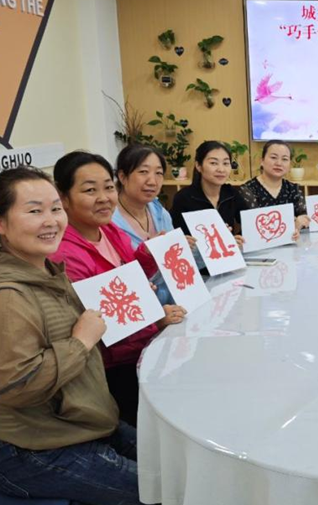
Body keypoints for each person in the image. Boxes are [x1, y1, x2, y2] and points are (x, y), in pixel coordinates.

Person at [0, 166, 177, 505]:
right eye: (34, 211)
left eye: (55, 209)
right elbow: (20, 386)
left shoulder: (47, 273)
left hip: (73, 424)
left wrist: (146, 312)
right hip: (27, 449)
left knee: (173, 460)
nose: (51, 221)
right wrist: (81, 340)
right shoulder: (7, 297)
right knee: (156, 487)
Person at [50, 151, 185, 426]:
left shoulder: (111, 231)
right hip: (112, 364)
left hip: (142, 344)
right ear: (63, 198)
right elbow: (100, 319)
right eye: (90, 190)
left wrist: (147, 255)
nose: (104, 198)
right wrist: (155, 319)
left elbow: (132, 278)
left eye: (108, 188)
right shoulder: (63, 254)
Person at [111, 144, 188, 305]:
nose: (152, 181)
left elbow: (174, 266)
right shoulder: (109, 222)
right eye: (143, 172)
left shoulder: (160, 212)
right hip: (139, 308)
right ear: (123, 177)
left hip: (174, 302)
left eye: (158, 173)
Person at [170, 140, 248, 243]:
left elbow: (250, 224)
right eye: (213, 163)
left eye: (226, 163)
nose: (221, 169)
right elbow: (174, 236)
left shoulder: (231, 193)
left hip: (228, 251)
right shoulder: (184, 198)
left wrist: (237, 239)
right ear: (198, 166)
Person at [239, 139, 309, 239]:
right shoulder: (248, 190)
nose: (279, 163)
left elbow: (304, 217)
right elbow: (254, 225)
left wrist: (299, 224)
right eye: (273, 157)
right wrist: (293, 223)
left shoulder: (293, 189)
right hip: (258, 245)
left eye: (284, 159)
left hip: (290, 243)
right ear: (262, 161)